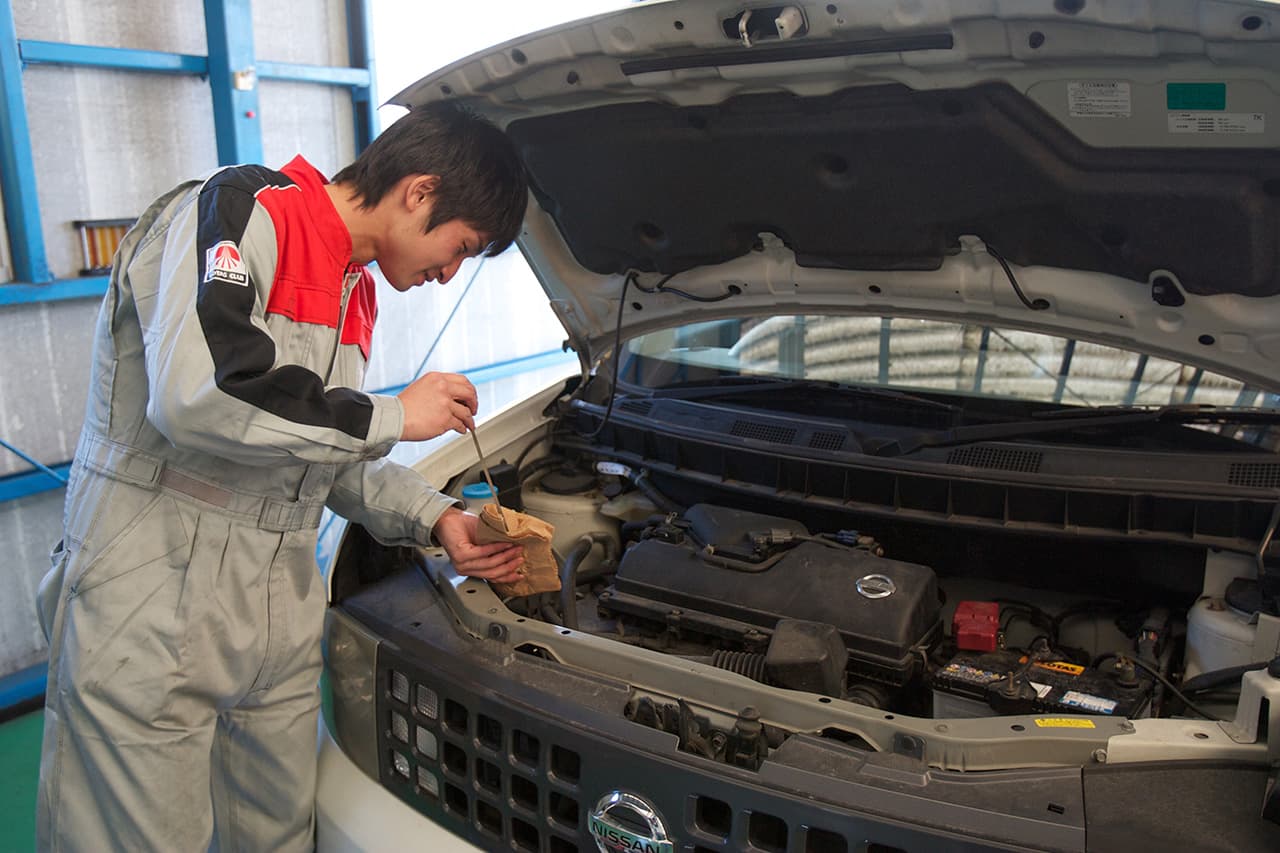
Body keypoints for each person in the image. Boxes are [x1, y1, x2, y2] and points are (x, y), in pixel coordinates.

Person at [34, 100, 529, 851]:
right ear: (419, 191)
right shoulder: (240, 210)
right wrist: (393, 413)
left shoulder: (353, 288)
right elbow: (203, 393)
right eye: (462, 246)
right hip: (155, 594)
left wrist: (436, 516)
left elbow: (312, 451)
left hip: (279, 610)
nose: (449, 274)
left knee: (279, 835)